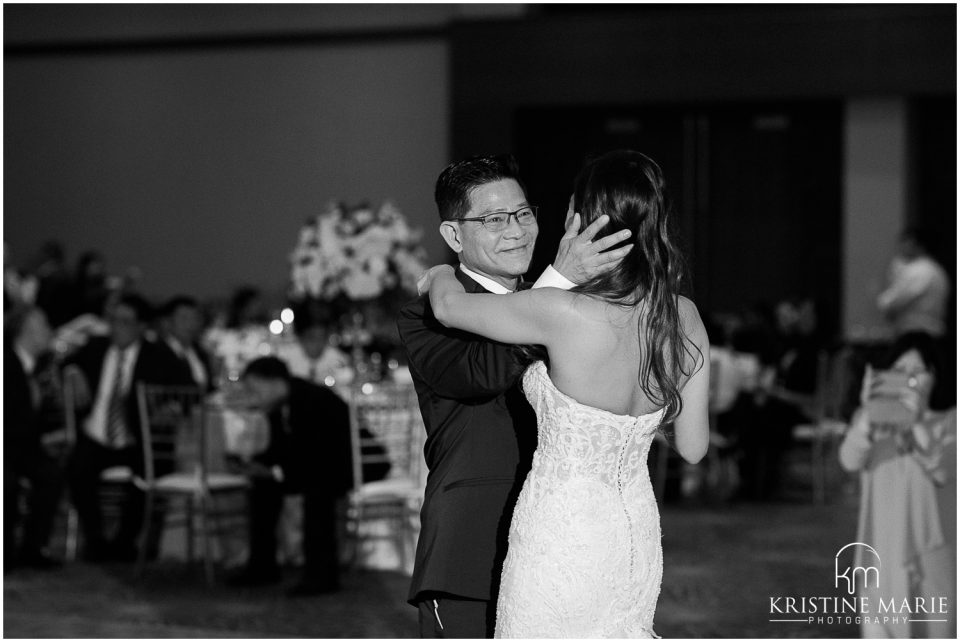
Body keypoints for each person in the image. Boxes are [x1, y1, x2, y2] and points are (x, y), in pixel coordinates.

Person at [419, 150, 709, 637]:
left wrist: (442, 272)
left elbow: (448, 309)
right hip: (634, 531)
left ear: (584, 220)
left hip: (561, 531)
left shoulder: (559, 311)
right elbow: (694, 448)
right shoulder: (685, 317)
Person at [228, 357, 379, 596]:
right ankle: (262, 566)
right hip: (315, 465)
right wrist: (258, 466)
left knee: (317, 489)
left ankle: (321, 574)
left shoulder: (311, 399)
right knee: (263, 486)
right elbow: (283, 449)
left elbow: (317, 453)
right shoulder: (280, 405)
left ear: (276, 383)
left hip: (350, 464)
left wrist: (277, 471)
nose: (253, 396)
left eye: (255, 389)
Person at [838, 334, 955, 639]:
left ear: (936, 376)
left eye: (918, 372)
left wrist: (917, 423)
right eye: (900, 371)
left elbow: (942, 470)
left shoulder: (950, 421)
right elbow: (849, 460)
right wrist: (867, 416)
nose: (907, 379)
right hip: (881, 552)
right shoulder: (872, 422)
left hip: (935, 556)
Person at [62, 293, 189, 562]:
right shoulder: (95, 348)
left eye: (125, 322)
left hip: (136, 439)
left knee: (147, 474)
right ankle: (95, 539)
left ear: (142, 327)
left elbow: (186, 390)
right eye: (113, 321)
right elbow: (64, 360)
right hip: (96, 434)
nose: (116, 328)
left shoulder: (158, 357)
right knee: (77, 468)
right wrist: (72, 371)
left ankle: (124, 542)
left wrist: (172, 407)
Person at [4, 306, 65, 570]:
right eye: (43, 325)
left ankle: (33, 548)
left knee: (52, 475)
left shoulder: (41, 366)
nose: (49, 330)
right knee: (6, 482)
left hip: (24, 446)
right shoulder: (5, 363)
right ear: (25, 331)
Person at [877, 226, 950, 342]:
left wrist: (896, 275)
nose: (901, 246)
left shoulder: (919, 270)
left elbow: (892, 302)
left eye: (905, 241)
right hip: (929, 333)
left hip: (916, 335)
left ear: (917, 244)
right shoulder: (935, 269)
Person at [157, 295, 214, 390]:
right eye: (184, 318)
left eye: (195, 318)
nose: (190, 324)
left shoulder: (200, 351)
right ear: (167, 322)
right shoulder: (156, 352)